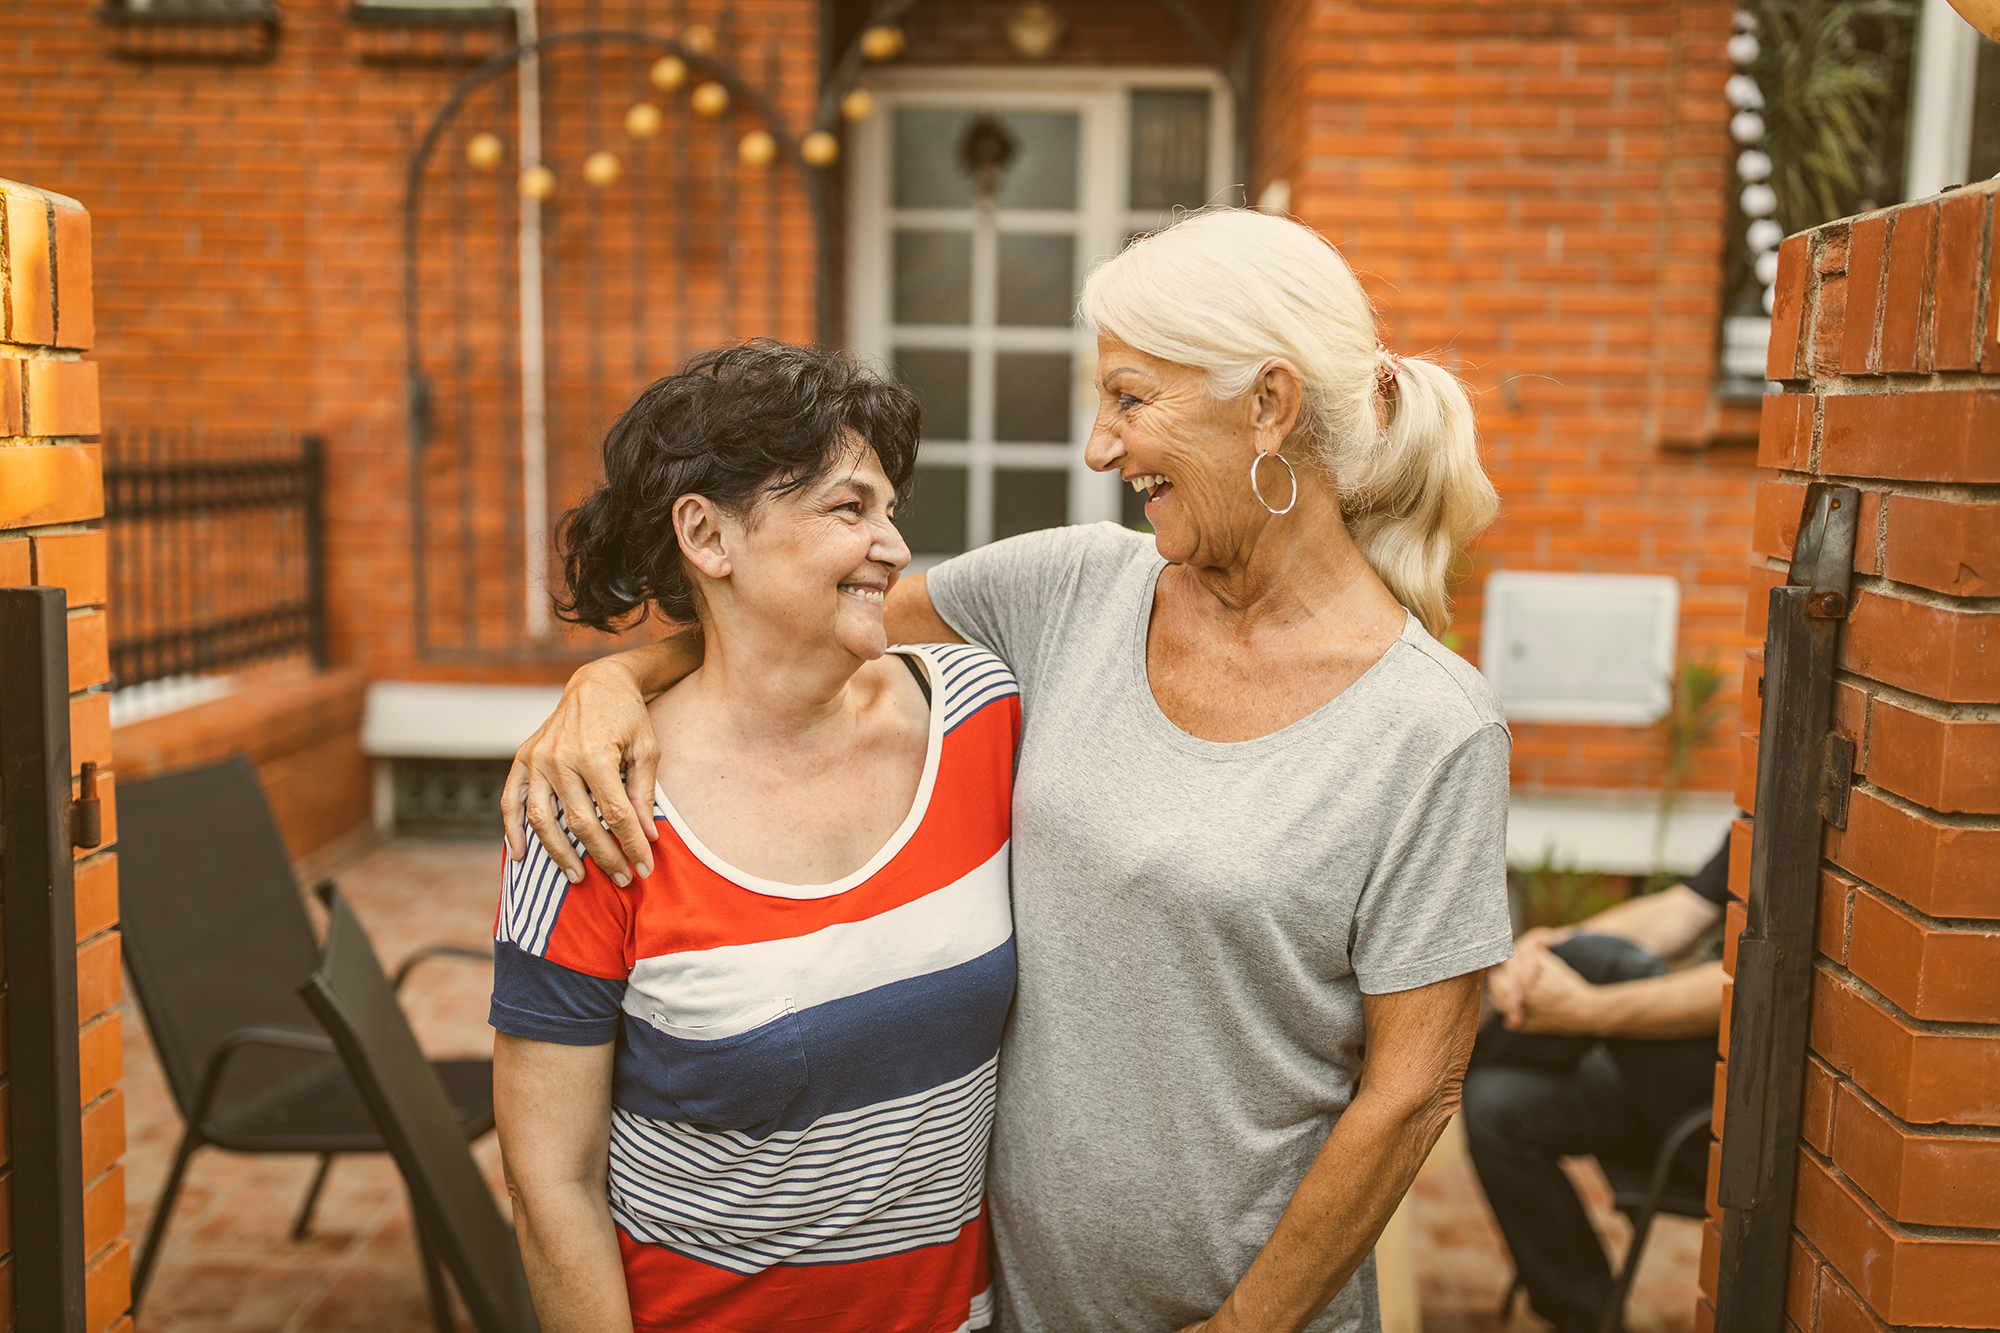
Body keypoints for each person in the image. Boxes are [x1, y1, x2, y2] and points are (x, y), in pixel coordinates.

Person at [504, 209, 1515, 1333]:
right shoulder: (1068, 591)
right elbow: (794, 619)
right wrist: (607, 684)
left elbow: (1412, 1090)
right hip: (1012, 1305)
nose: (1098, 446)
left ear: (1267, 406)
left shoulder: (1429, 726)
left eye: (1131, 400)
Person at [488, 342, 1022, 1333]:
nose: (895, 545)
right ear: (707, 534)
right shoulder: (591, 807)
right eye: (847, 508)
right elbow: (548, 1180)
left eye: (890, 510)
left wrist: (610, 673)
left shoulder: (982, 720)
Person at [1465, 834, 1733, 1333]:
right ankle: (1585, 1318)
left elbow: (1747, 984)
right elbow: (1681, 911)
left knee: (1607, 964)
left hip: (1721, 1121)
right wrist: (1550, 946)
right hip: (1656, 1096)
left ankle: (1439, 1071)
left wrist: (1586, 1010)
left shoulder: (1799, 810)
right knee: (1493, 1105)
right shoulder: (1757, 812)